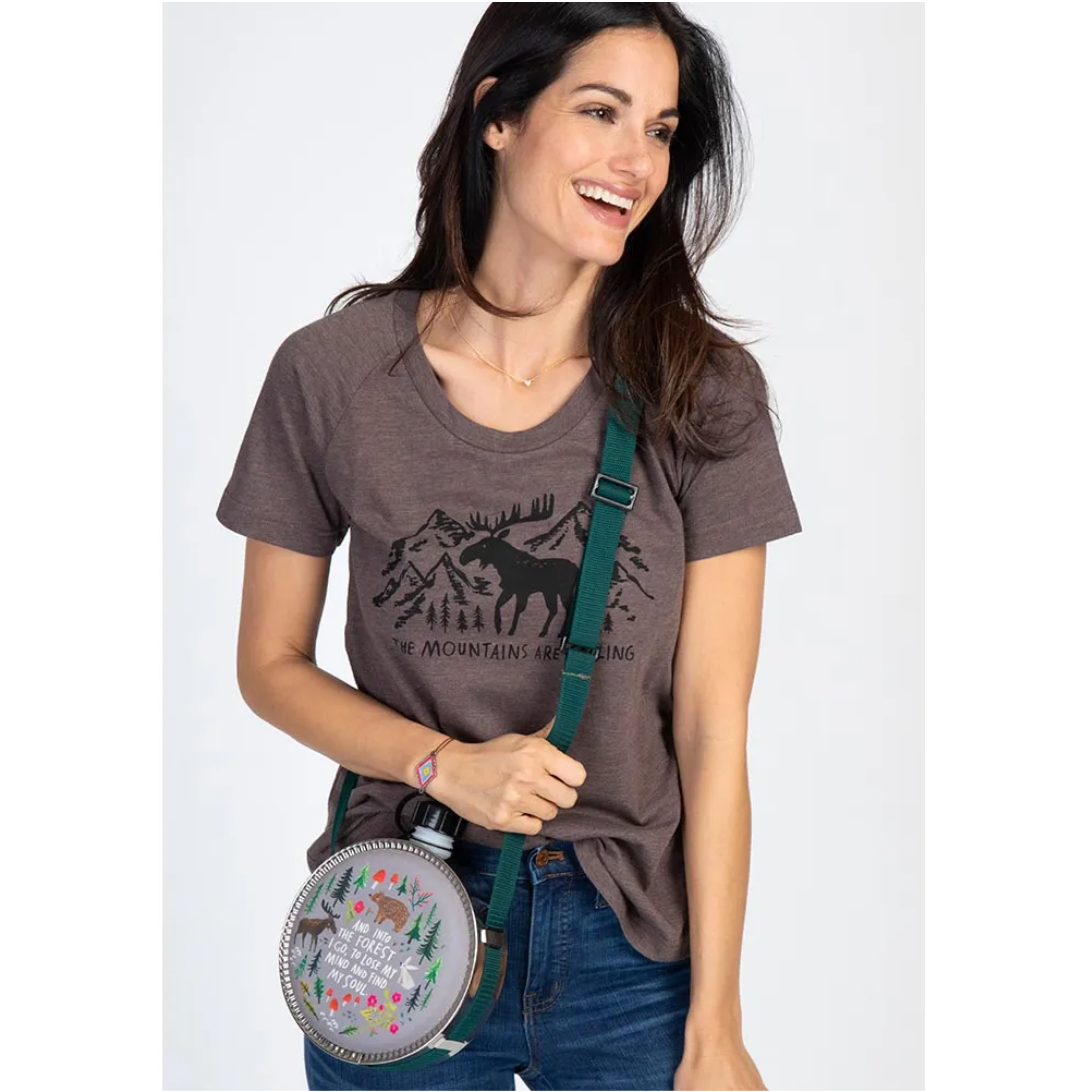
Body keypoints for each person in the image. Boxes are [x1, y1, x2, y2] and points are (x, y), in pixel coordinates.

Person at [215, 5, 802, 1090]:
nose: (637, 162)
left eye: (662, 130)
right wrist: (444, 766)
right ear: (499, 115)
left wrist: (717, 1024)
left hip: (628, 943)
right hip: (394, 918)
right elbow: (269, 665)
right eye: (601, 112)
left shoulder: (702, 389)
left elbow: (714, 730)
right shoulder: (334, 373)